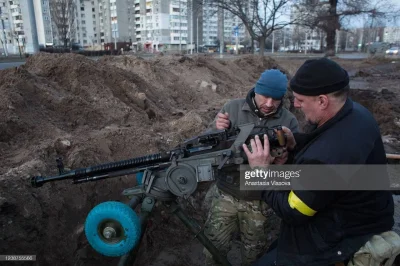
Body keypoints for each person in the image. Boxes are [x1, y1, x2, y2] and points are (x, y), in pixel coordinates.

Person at [241, 58, 397, 266]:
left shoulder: (331, 153)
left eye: (300, 100)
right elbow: (324, 148)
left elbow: (293, 210)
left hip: (340, 237)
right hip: (360, 215)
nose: (295, 105)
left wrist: (260, 173)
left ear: (323, 101)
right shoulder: (355, 114)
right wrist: (296, 144)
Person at [203, 69, 300, 266]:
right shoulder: (232, 108)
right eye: (265, 96)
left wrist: (288, 154)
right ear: (256, 89)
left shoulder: (289, 121)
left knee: (255, 256)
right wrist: (216, 130)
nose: (269, 104)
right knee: (213, 250)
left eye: (276, 99)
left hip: (261, 202)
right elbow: (207, 148)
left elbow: (296, 165)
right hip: (226, 195)